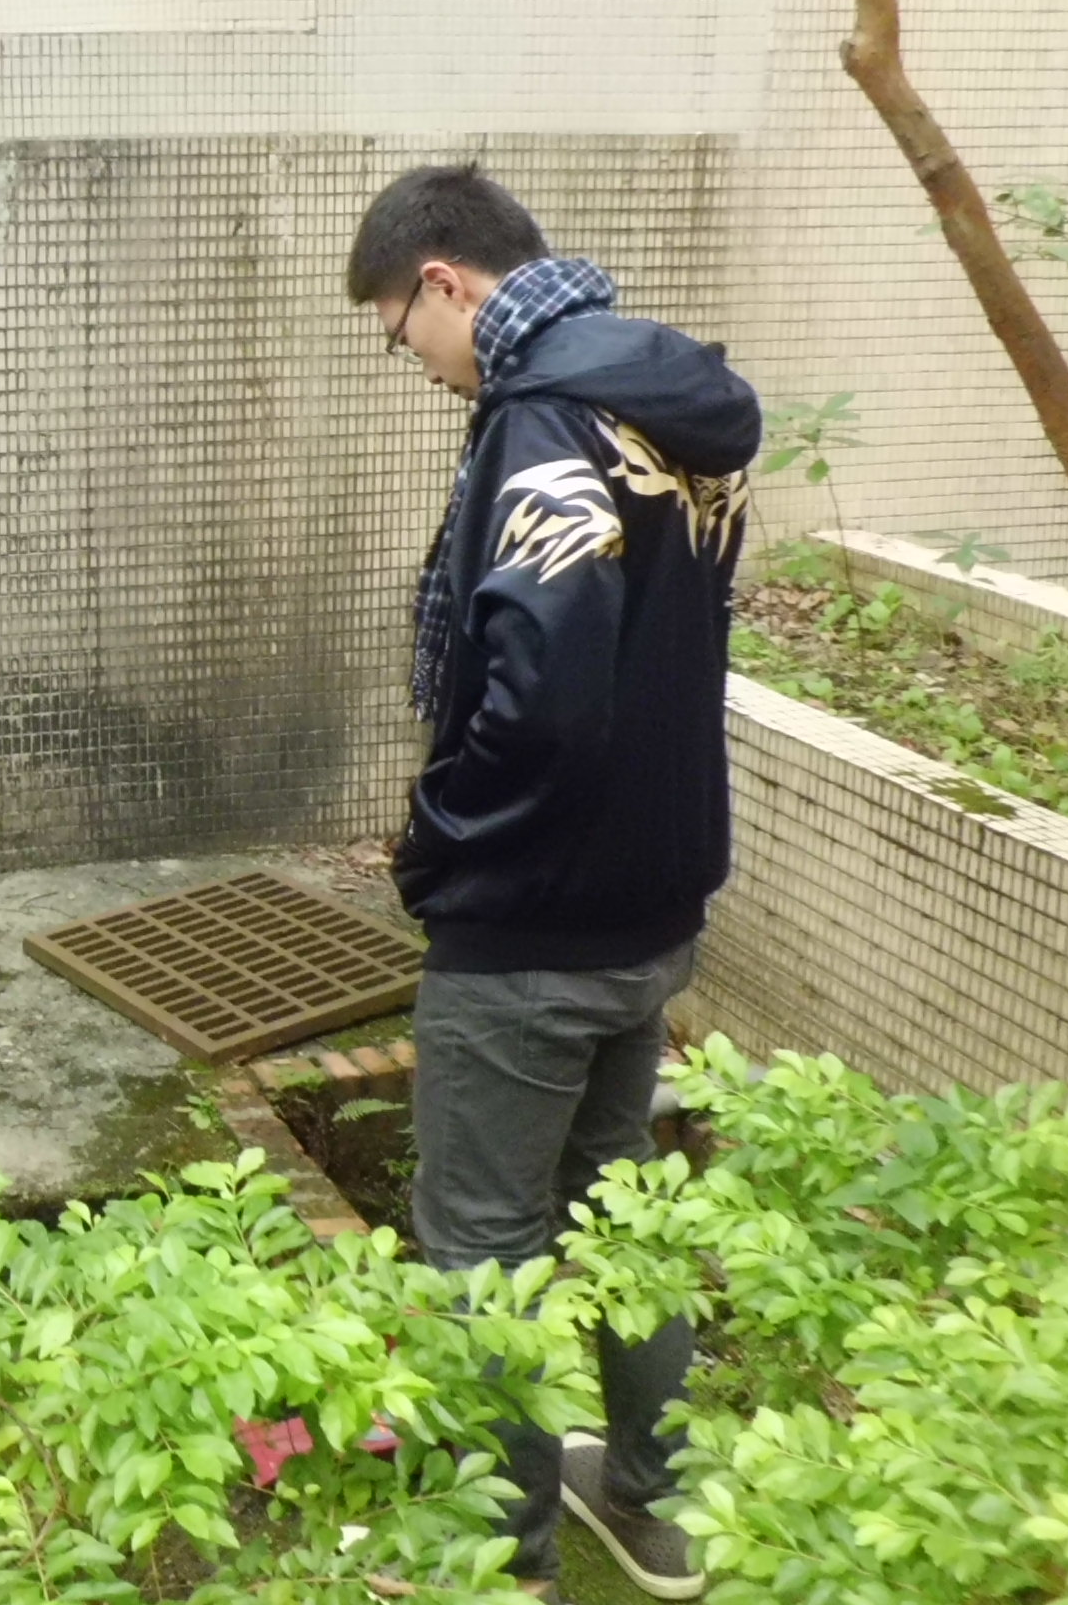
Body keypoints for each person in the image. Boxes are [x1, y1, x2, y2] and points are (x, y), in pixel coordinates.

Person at [349, 164, 758, 1605]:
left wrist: (437, 838)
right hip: (651, 904)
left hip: (529, 918)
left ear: (445, 283)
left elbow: (542, 697)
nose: (417, 363)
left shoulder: (541, 424)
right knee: (618, 1205)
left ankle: (492, 1557)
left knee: (481, 1243)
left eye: (402, 332)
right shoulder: (668, 401)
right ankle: (652, 1501)